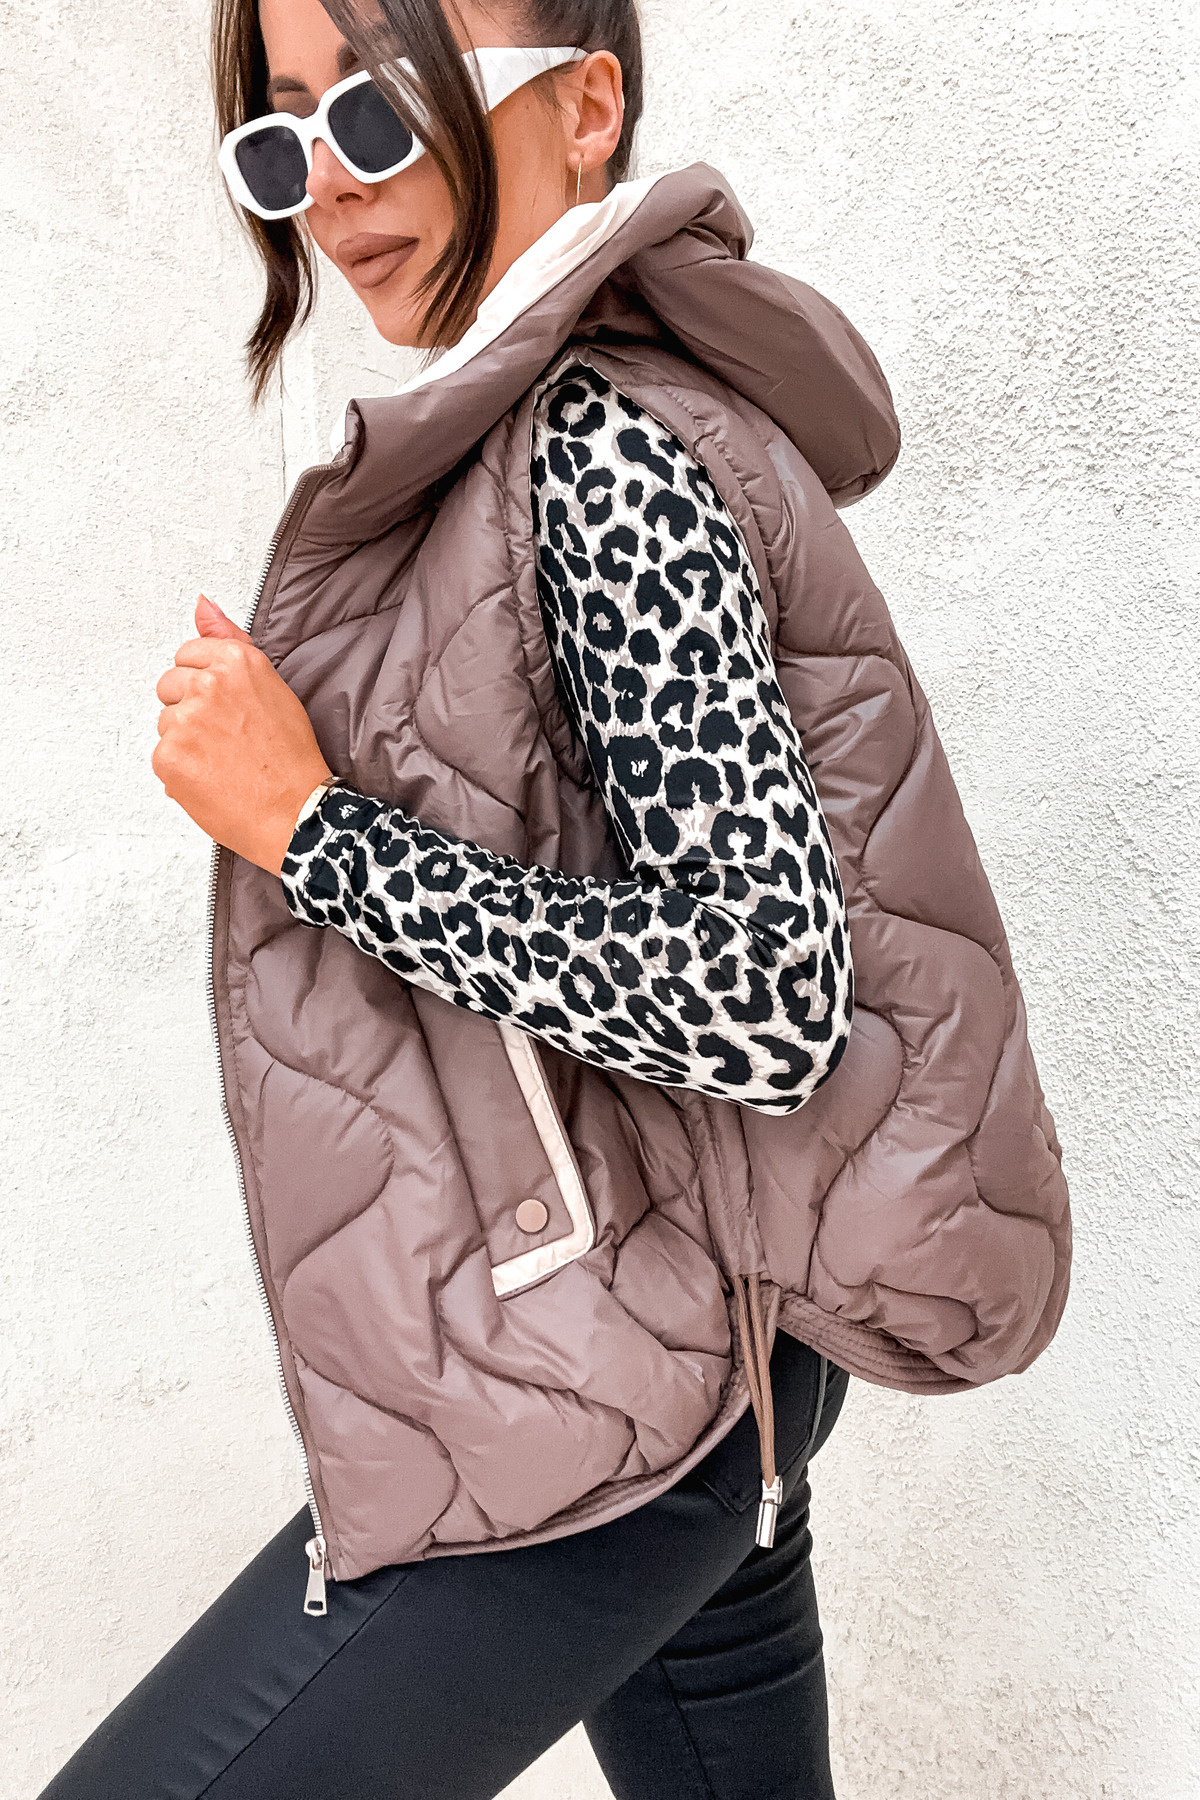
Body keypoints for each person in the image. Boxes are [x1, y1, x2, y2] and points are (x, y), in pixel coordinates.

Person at [37, 1, 1071, 1795]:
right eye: (283, 139)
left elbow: (758, 981)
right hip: (679, 1336)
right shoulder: (532, 433)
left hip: (634, 1380)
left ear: (587, 109)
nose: (331, 189)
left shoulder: (597, 450)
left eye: (383, 112)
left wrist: (310, 828)